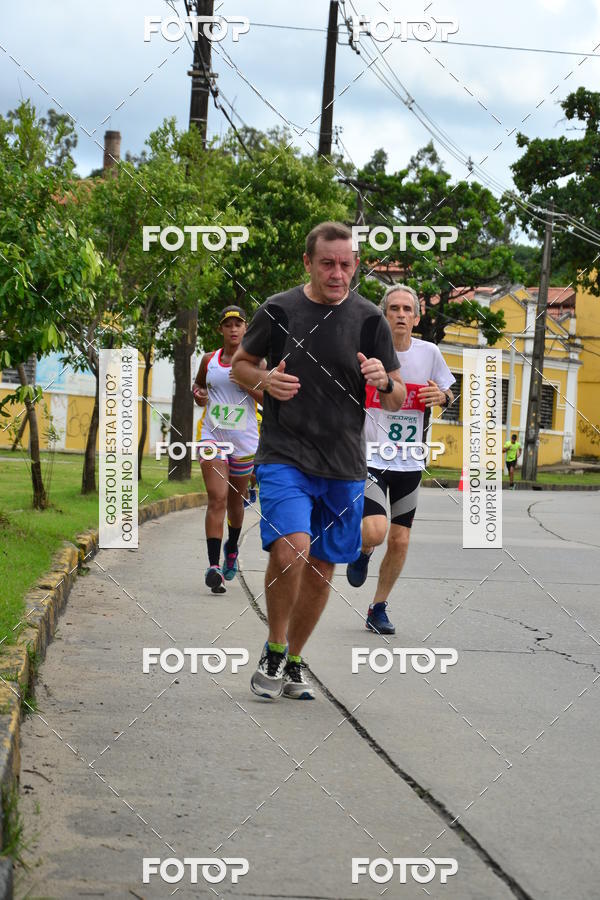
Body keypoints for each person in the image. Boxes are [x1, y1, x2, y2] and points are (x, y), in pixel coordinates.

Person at [231, 221, 406, 701]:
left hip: (344, 463)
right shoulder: (279, 309)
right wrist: (263, 382)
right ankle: (273, 644)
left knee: (323, 566)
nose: (337, 273)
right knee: (291, 551)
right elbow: (240, 365)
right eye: (327, 263)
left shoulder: (371, 320)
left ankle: (294, 660)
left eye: (346, 264)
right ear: (308, 262)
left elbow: (397, 396)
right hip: (285, 453)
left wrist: (384, 381)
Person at [346, 285, 454, 635]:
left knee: (401, 539)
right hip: (372, 458)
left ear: (417, 317)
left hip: (410, 462)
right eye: (394, 308)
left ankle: (378, 607)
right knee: (376, 531)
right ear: (384, 314)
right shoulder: (367, 352)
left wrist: (444, 396)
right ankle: (363, 550)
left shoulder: (430, 353)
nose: (402, 315)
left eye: (408, 309)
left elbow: (448, 391)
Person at [193, 306, 264, 594]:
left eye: (238, 324)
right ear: (221, 329)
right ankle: (213, 568)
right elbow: (198, 388)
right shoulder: (209, 360)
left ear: (246, 328)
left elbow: (267, 397)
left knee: (236, 503)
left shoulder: (256, 360)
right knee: (217, 498)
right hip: (213, 436)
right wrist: (199, 395)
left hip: (244, 441)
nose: (233, 329)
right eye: (228, 324)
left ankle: (231, 547)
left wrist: (247, 384)